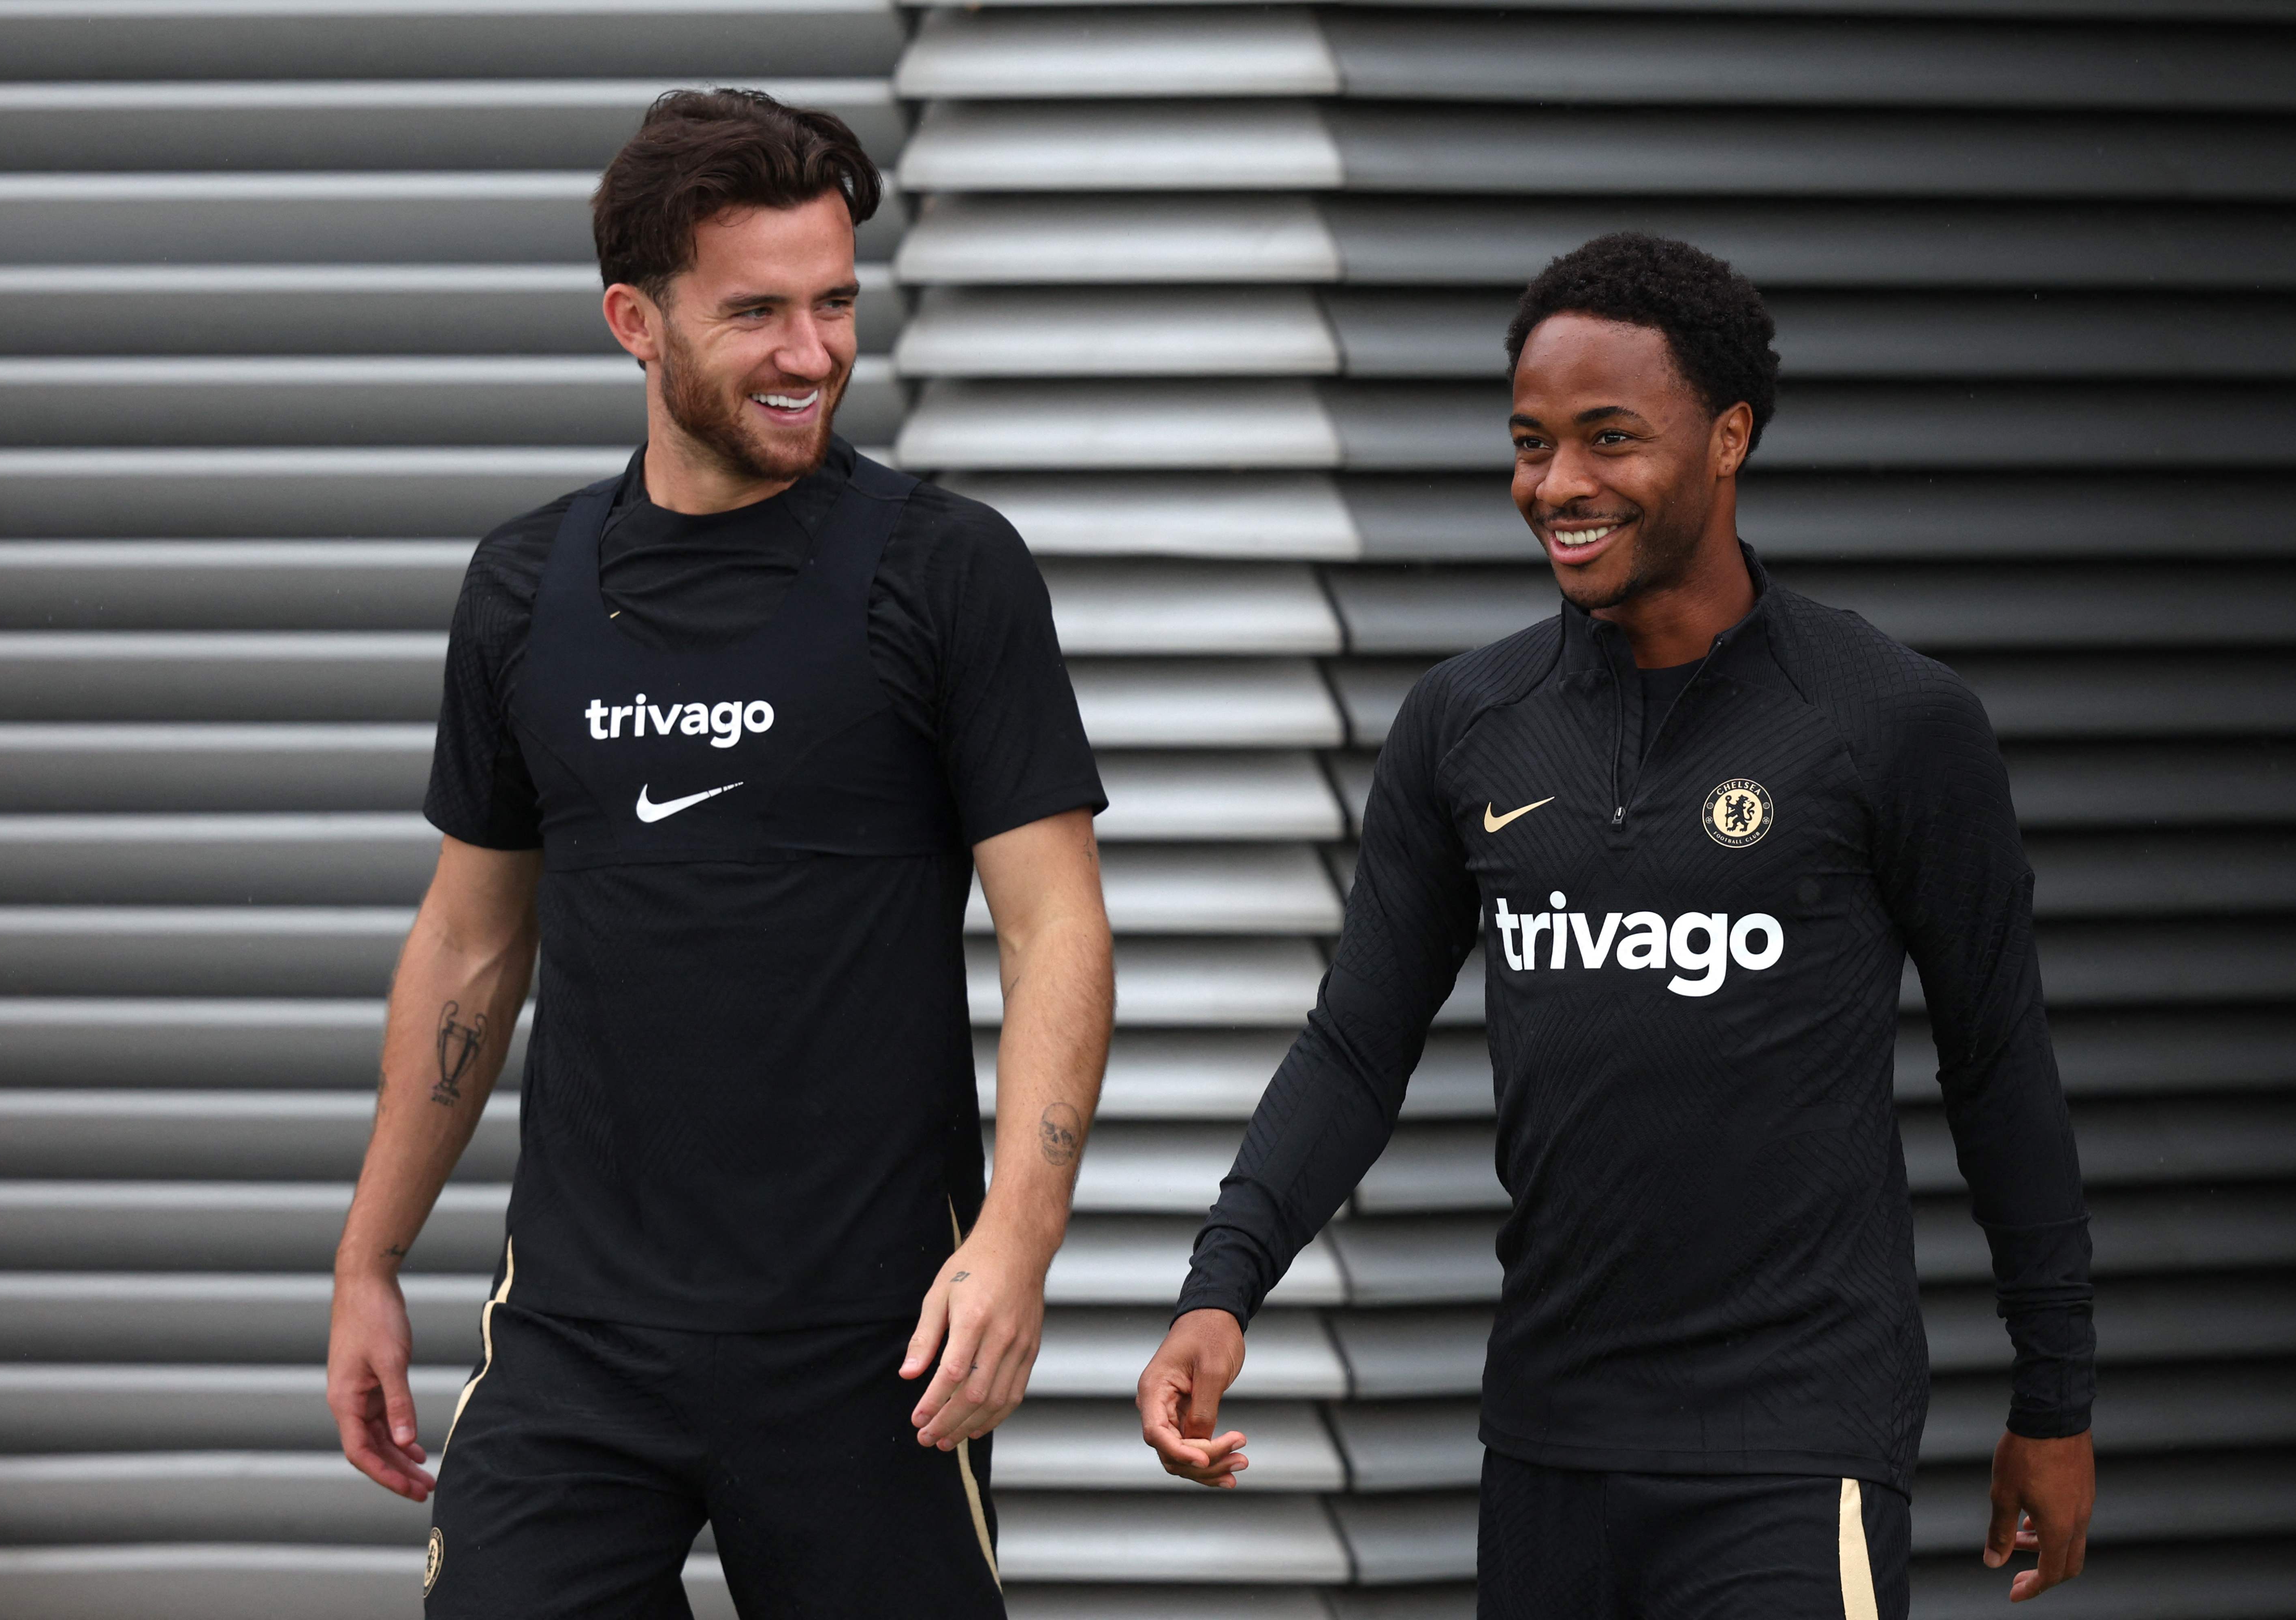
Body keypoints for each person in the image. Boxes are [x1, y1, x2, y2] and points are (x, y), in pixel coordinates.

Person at [1139, 233, 2095, 1615]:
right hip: (1550, 1447)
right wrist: (1219, 1290)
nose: (1559, 485)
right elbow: (1355, 1047)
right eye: (1531, 444)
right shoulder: (1464, 725)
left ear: (1729, 439)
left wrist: (2056, 1396)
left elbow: (1998, 1066)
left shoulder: (1889, 721)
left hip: (1794, 1449)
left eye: (1610, 438)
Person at [326, 89, 1113, 1618]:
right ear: (635, 321)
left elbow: (1056, 929)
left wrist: (1018, 1244)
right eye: (757, 312)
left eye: (836, 303)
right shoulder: (524, 588)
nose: (813, 353)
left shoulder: (947, 571)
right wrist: (372, 1256)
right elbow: (472, 940)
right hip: (575, 1341)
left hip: (872, 1344)